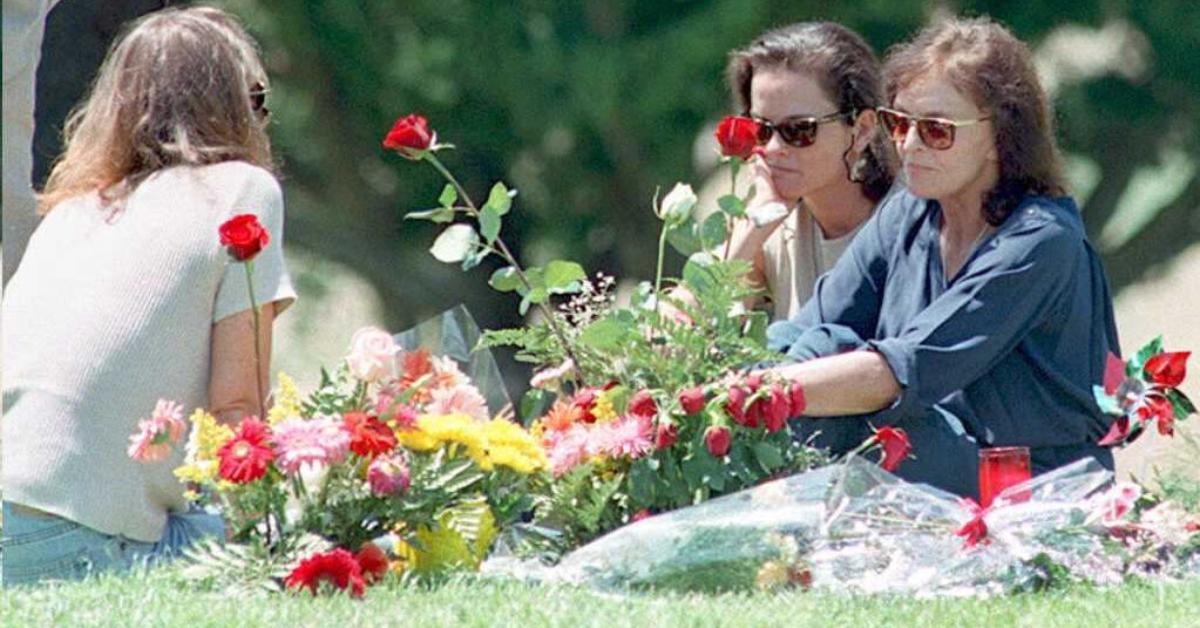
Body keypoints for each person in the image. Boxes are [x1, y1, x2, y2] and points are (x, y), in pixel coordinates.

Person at [760, 17, 1120, 497]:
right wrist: (722, 387)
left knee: (848, 423)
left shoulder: (1040, 241)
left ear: (1000, 136)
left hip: (1036, 484)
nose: (908, 145)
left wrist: (753, 398)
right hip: (937, 450)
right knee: (825, 349)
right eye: (899, 123)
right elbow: (811, 327)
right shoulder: (910, 209)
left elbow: (903, 370)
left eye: (936, 130)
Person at [2, 6, 296, 585]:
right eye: (256, 100)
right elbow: (239, 408)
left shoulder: (69, 213)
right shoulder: (243, 189)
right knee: (317, 547)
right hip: (68, 542)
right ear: (234, 106)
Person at [722, 22, 894, 320]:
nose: (774, 148)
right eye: (761, 129)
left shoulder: (913, 226)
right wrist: (751, 232)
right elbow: (685, 331)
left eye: (799, 130)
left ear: (862, 129)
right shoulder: (769, 228)